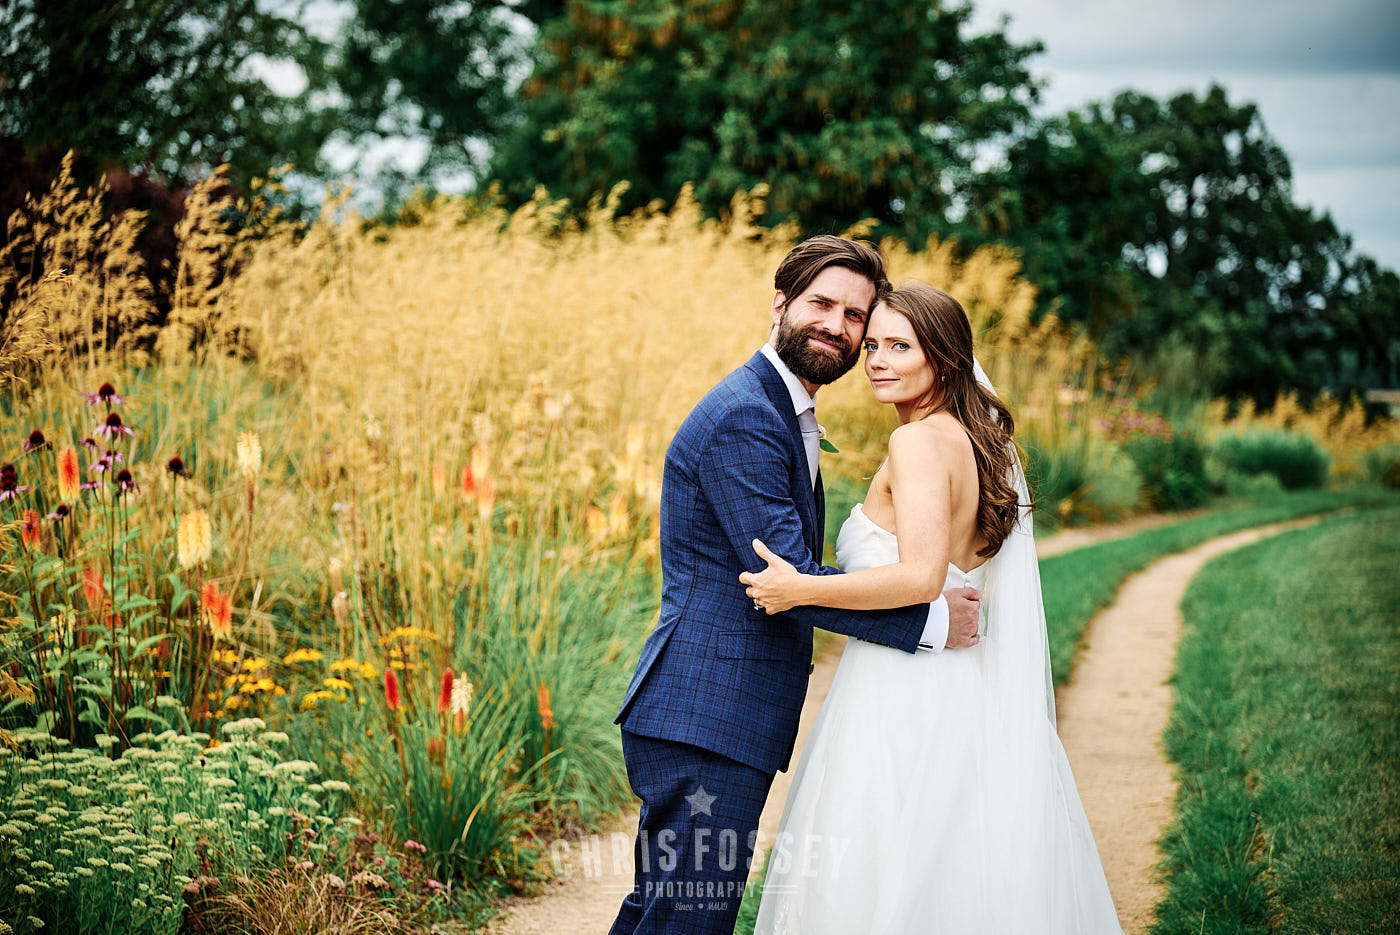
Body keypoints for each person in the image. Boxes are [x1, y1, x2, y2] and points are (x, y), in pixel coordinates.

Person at [608, 238, 983, 935]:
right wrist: (930, 622)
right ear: (780, 302)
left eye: (855, 316)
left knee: (664, 913)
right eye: (822, 304)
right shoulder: (746, 416)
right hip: (703, 715)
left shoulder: (783, 411)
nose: (838, 327)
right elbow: (785, 576)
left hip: (715, 716)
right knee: (687, 918)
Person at [745, 283, 1123, 934]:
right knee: (957, 855)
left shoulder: (917, 444)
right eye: (872, 346)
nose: (878, 361)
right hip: (960, 681)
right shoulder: (977, 440)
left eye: (900, 346)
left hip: (903, 686)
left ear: (944, 359)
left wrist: (801, 587)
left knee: (885, 858)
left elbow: (920, 576)